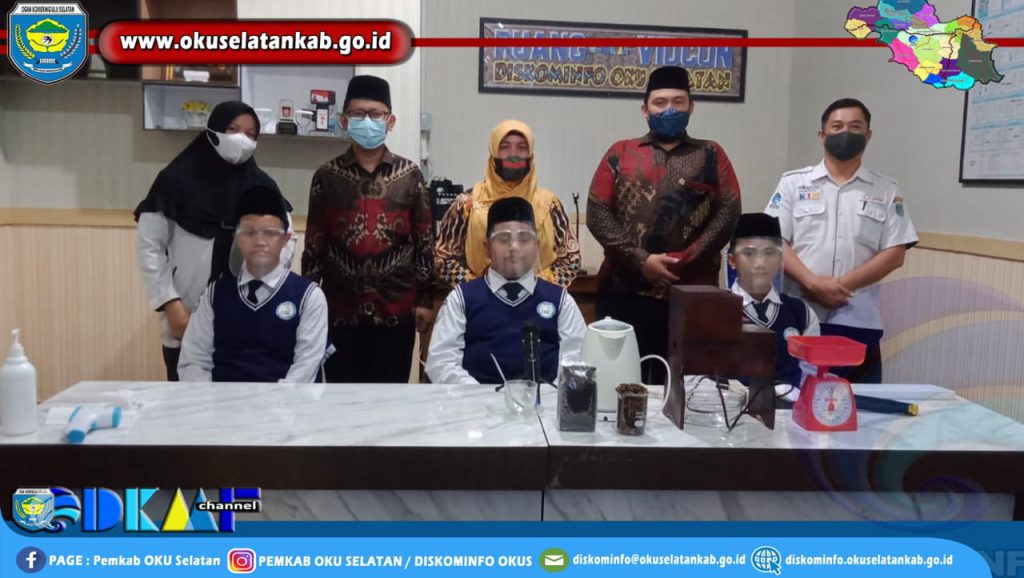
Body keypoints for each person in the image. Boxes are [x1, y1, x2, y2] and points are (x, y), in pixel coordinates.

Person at [586, 65, 741, 383]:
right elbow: (597, 213)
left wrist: (682, 261)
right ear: (645, 110)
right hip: (624, 295)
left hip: (690, 296)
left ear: (691, 107)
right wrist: (641, 261)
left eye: (678, 102)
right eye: (660, 102)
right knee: (618, 386)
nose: (669, 109)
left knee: (685, 390)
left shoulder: (711, 155)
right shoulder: (621, 153)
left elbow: (728, 212)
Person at [135, 101, 293, 381]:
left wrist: (263, 291)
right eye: (232, 129)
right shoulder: (174, 180)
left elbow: (286, 240)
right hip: (185, 313)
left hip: (247, 318)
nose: (241, 140)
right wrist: (170, 303)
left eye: (251, 134)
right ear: (213, 130)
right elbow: (150, 246)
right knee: (188, 398)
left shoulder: (262, 185)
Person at [765, 98, 917, 383]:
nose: (845, 133)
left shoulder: (886, 189)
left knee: (856, 401)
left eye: (855, 127)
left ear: (868, 135)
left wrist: (840, 287)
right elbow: (774, 241)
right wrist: (813, 283)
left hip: (856, 318)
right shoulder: (793, 183)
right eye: (837, 126)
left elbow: (895, 252)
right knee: (792, 396)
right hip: (798, 315)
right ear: (822, 135)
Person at [301, 75, 434, 383]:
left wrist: (426, 300)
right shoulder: (326, 176)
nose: (367, 120)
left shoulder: (410, 175)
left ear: (390, 121)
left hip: (397, 311)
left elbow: (424, 240)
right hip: (339, 312)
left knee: (391, 399)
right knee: (341, 398)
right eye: (358, 113)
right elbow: (314, 244)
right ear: (344, 120)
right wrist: (306, 302)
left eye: (376, 114)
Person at [426, 197, 586, 385]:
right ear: (487, 247)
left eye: (524, 238)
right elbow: (441, 362)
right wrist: (479, 395)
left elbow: (578, 361)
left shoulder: (560, 301)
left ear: (537, 246)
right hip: (476, 400)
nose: (514, 247)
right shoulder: (462, 299)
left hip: (544, 400)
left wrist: (549, 396)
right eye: (503, 239)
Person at [178, 186, 328, 383]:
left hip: (287, 401)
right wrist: (211, 399)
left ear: (285, 239)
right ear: (236, 237)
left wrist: (274, 401)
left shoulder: (309, 296)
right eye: (249, 232)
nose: (259, 241)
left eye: (270, 233)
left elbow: (306, 367)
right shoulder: (214, 294)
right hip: (222, 400)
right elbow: (193, 361)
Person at [434, 120, 581, 288]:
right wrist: (479, 289)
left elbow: (571, 259)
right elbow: (443, 259)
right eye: (504, 147)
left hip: (539, 299)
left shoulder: (549, 204)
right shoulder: (468, 203)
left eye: (522, 147)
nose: (513, 154)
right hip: (481, 299)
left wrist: (540, 288)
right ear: (493, 152)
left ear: (531, 154)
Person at [728, 213, 819, 387]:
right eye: (749, 253)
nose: (760, 263)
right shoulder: (714, 311)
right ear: (732, 260)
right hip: (729, 403)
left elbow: (809, 376)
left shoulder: (802, 314)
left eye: (769, 253)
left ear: (780, 261)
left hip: (788, 403)